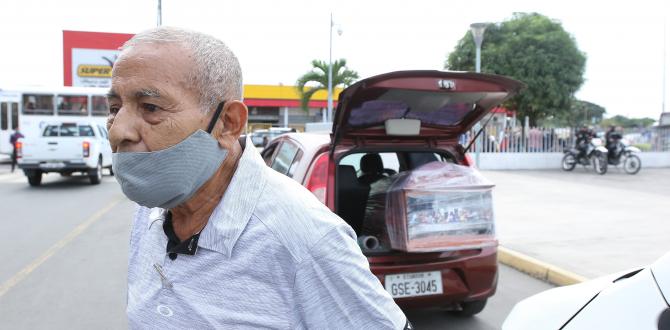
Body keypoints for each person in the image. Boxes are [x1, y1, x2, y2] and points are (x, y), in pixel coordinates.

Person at [107, 27, 409, 329]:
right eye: (115, 108)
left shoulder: (305, 238)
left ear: (228, 123)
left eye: (150, 108)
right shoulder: (151, 210)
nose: (118, 131)